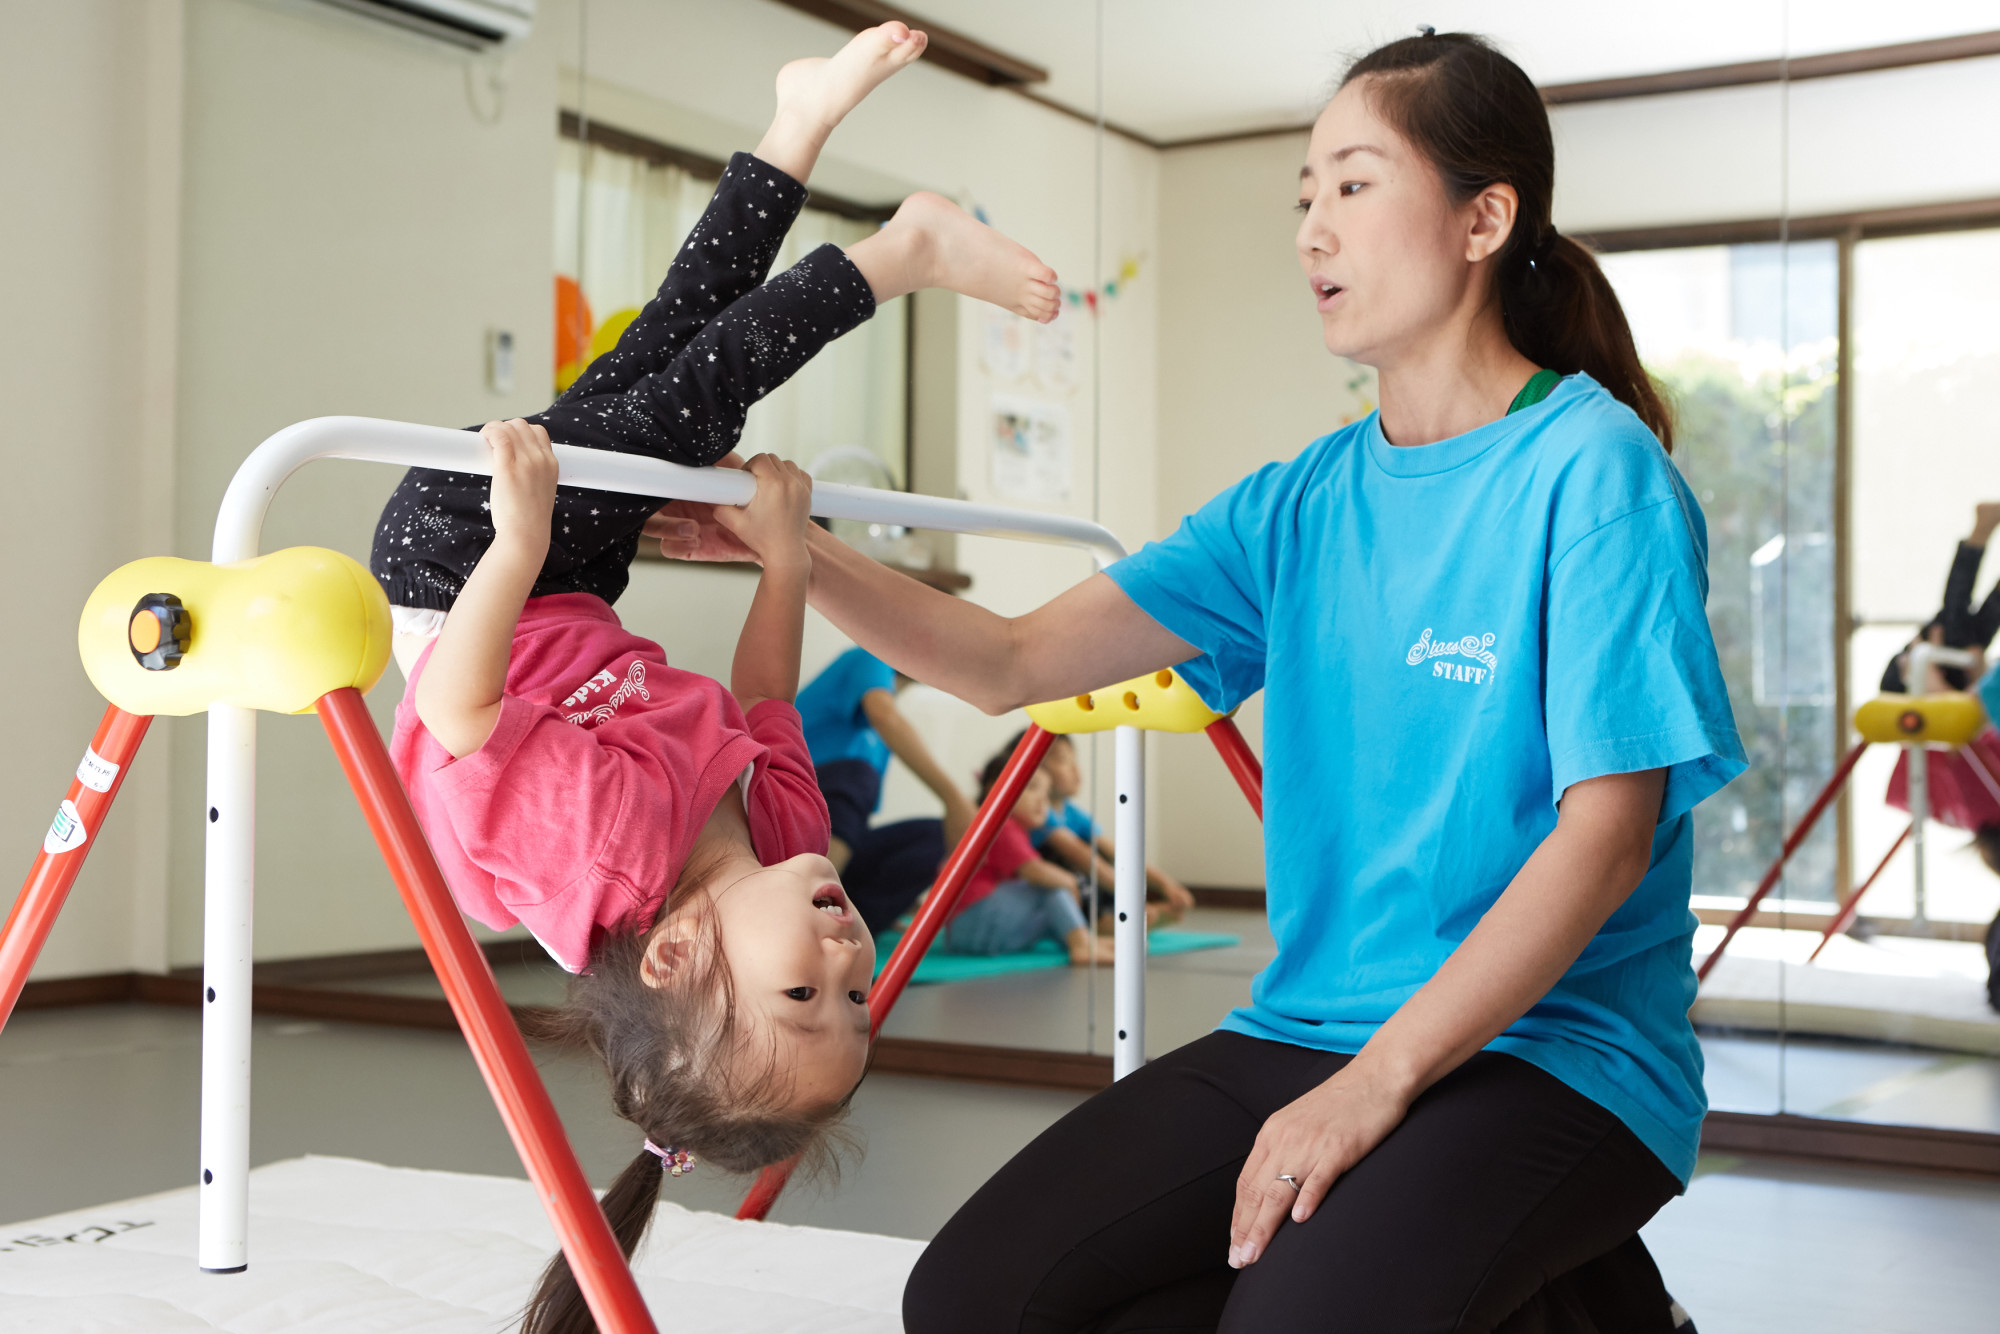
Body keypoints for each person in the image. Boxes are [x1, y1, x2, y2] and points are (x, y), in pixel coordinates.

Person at [654, 29, 1739, 1332]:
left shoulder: (1595, 474)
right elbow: (1007, 660)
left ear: (1483, 218)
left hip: (1563, 1057)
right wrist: (790, 548)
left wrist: (1377, 1084)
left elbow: (1608, 837)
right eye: (1302, 196)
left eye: (1351, 184)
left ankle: (1579, 1297)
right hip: (1311, 1020)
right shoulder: (1301, 503)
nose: (1312, 231)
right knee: (974, 1301)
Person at [368, 24, 1062, 1334]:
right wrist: (783, 567)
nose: (849, 955)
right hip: (567, 588)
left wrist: (514, 549)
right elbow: (760, 706)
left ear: (680, 951)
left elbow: (455, 713)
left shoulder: (596, 859)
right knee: (676, 345)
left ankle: (902, 250)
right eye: (858, 995)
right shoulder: (790, 842)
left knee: (690, 408)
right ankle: (795, 124)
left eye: (807, 988)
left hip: (458, 563)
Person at [797, 646, 975, 934]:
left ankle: (852, 923)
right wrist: (954, 798)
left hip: (829, 836)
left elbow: (852, 825)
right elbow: (884, 715)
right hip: (790, 825)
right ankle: (806, 916)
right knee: (856, 775)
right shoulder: (872, 656)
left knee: (933, 837)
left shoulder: (874, 746)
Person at [937, 752, 1117, 966]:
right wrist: (1070, 883)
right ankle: (1082, 946)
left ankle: (1083, 941)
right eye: (1032, 788)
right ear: (997, 789)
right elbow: (1035, 871)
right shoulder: (1001, 825)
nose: (1043, 800)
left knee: (1050, 906)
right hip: (974, 919)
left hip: (969, 933)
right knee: (1051, 887)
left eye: (1047, 793)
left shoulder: (1016, 830)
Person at [1019, 729, 1197, 928]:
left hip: (1089, 883)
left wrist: (1166, 884)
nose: (1075, 769)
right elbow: (1082, 857)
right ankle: (1105, 921)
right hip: (1047, 890)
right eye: (1063, 760)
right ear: (1036, 767)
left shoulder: (1071, 812)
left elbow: (1115, 851)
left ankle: (1121, 916)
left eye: (1074, 760)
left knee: (1100, 854)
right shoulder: (1039, 816)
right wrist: (1134, 899)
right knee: (1077, 859)